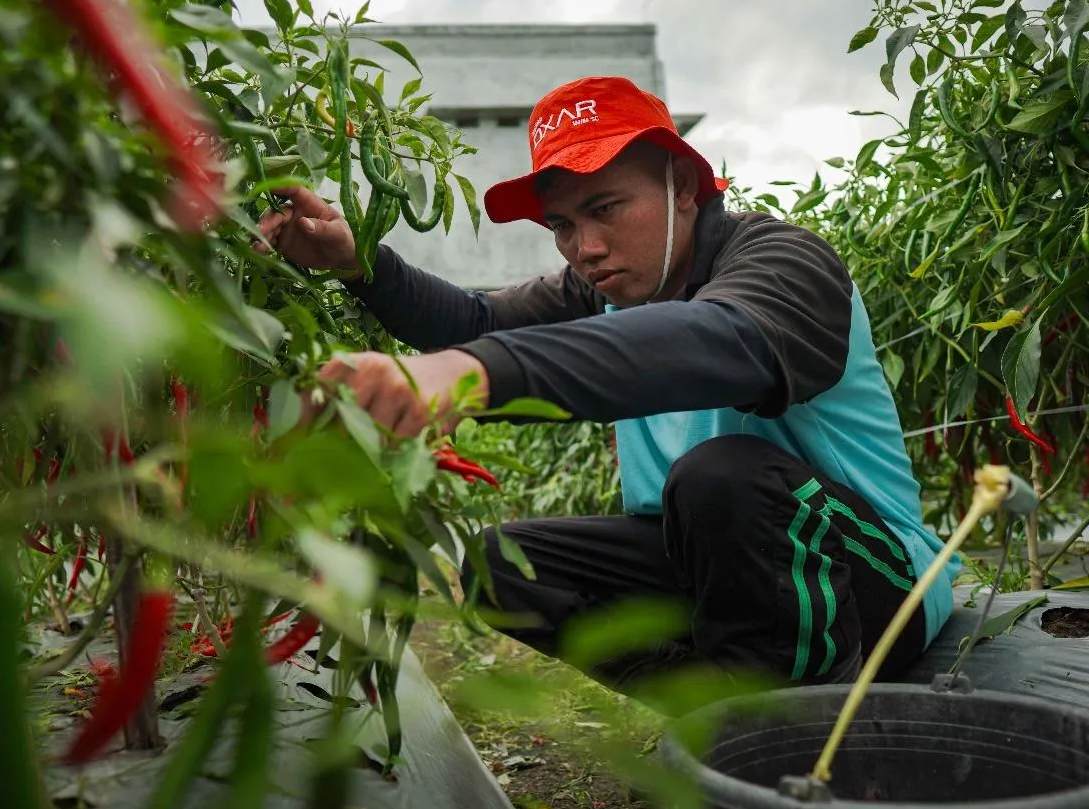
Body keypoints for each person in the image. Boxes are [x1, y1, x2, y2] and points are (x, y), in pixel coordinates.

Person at [256, 75, 956, 691]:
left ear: (683, 187)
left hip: (875, 587)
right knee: (504, 565)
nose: (583, 248)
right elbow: (475, 317)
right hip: (712, 567)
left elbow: (722, 341)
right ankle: (710, 707)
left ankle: (793, 726)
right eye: (563, 225)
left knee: (720, 476)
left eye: (606, 208)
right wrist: (359, 263)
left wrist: (471, 372)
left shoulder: (784, 261)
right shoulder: (608, 288)